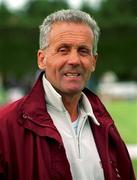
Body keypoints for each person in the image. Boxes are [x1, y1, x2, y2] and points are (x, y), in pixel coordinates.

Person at [0, 9, 135, 180]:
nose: (74, 60)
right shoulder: (5, 126)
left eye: (83, 51)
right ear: (42, 59)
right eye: (63, 50)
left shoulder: (106, 126)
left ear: (93, 62)